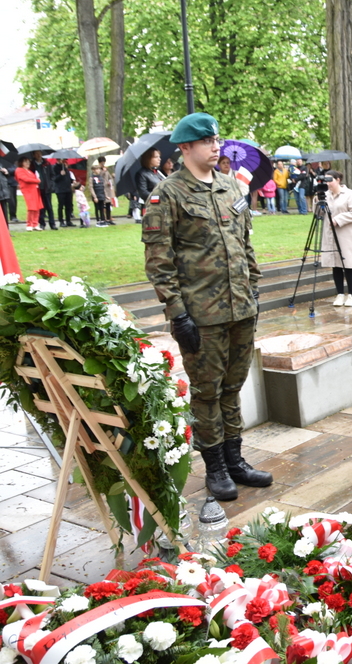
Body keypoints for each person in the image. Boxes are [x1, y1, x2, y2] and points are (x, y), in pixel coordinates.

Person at [141, 112, 271, 502]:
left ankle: (236, 461)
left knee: (233, 388)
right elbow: (158, 260)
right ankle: (214, 466)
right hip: (202, 314)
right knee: (207, 392)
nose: (216, 147)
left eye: (217, 139)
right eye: (207, 141)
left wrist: (255, 288)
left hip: (241, 308)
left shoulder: (231, 187)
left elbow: (244, 243)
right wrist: (177, 312)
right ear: (185, 148)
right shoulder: (168, 195)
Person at [319, 170, 352, 307]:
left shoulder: (349, 194)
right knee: (335, 263)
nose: (328, 183)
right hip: (330, 234)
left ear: (338, 180)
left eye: (330, 180)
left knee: (348, 263)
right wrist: (318, 201)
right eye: (326, 180)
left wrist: (338, 219)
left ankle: (351, 294)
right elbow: (319, 214)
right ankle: (339, 294)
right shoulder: (326, 195)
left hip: (345, 233)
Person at [136, 149, 166, 222]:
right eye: (156, 157)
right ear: (148, 159)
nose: (159, 159)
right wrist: (161, 198)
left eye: (159, 156)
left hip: (165, 208)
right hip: (153, 209)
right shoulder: (142, 174)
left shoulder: (158, 172)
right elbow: (144, 194)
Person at [15, 157, 42, 231]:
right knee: (31, 207)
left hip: (35, 190)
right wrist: (37, 180)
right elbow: (25, 179)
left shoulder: (29, 171)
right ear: (21, 163)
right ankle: (29, 224)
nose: (28, 163)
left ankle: (35, 223)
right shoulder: (19, 170)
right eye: (25, 162)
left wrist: (36, 180)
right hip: (28, 191)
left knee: (37, 207)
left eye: (28, 162)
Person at [52, 159, 75, 227]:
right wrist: (60, 175)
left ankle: (68, 220)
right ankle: (61, 221)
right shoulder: (55, 168)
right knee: (61, 205)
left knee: (68, 205)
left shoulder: (65, 167)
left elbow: (67, 177)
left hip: (68, 189)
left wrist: (72, 181)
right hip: (60, 189)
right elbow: (54, 179)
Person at [97, 155, 116, 225]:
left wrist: (112, 177)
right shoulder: (99, 170)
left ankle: (109, 218)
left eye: (104, 163)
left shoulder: (106, 170)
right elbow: (99, 177)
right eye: (102, 163)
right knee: (103, 204)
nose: (103, 164)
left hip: (108, 189)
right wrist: (103, 171)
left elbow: (109, 177)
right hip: (102, 189)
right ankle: (103, 218)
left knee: (108, 204)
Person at [89, 162, 109, 227]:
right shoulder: (91, 178)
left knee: (102, 207)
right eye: (97, 169)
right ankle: (98, 220)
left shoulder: (100, 177)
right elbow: (91, 187)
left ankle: (103, 220)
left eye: (99, 169)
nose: (98, 170)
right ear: (93, 170)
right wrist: (94, 197)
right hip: (96, 195)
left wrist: (106, 195)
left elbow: (103, 187)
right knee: (97, 208)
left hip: (101, 194)